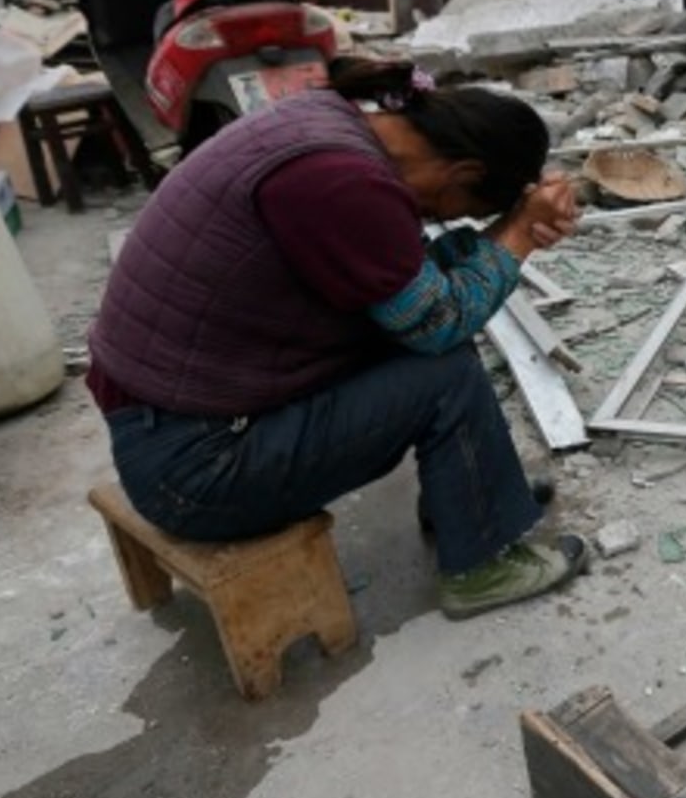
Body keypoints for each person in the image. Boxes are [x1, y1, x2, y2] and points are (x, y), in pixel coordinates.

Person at [86, 57, 587, 619]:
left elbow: (410, 285)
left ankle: (468, 503)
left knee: (431, 325)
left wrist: (508, 230)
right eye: (462, 211)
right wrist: (519, 234)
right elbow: (440, 321)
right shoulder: (341, 182)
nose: (433, 219)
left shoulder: (331, 123)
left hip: (172, 424)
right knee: (445, 364)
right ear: (463, 173)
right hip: (194, 471)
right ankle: (481, 568)